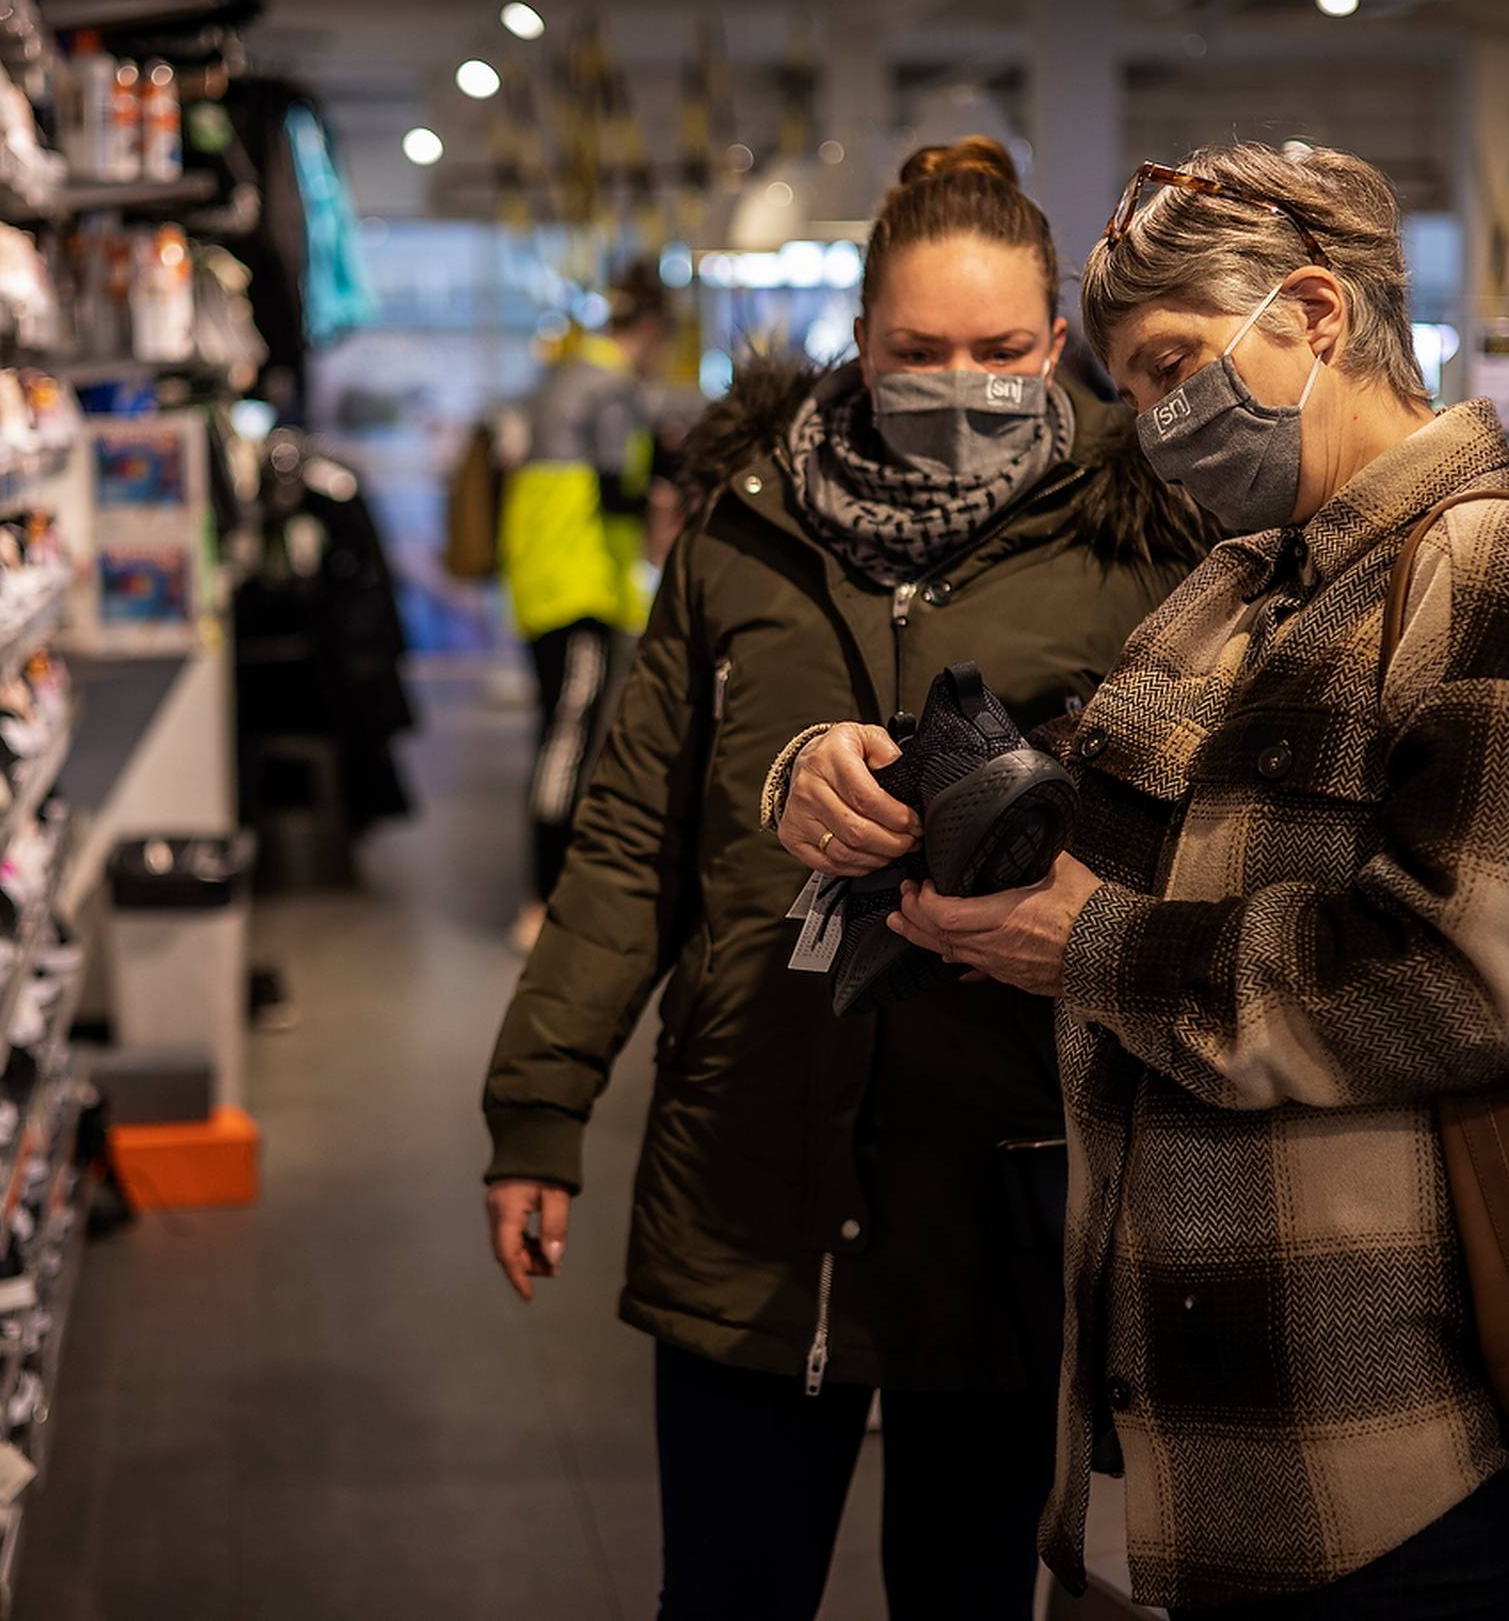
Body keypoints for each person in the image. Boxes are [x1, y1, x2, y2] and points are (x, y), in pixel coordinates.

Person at [794, 141, 1509, 1619]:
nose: (1157, 422)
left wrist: (1092, 946)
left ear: (1313, 312)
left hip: (1370, 1434)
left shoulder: (1492, 571)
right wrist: (889, 799)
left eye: (1174, 365)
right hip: (1184, 1422)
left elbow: (1480, 975)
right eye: (1134, 384)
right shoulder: (1246, 581)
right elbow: (1123, 843)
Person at [481, 136, 1205, 1621]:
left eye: (1001, 350)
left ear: (1058, 341)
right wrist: (538, 1108)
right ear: (857, 340)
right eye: (916, 350)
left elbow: (1196, 836)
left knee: (969, 1586)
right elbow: (630, 836)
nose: (960, 380)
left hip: (1002, 1158)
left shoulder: (1142, 541)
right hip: (757, 1145)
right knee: (731, 1588)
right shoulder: (744, 533)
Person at [497, 265, 674, 952]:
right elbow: (614, 491)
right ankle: (544, 898)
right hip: (580, 584)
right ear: (652, 330)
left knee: (560, 736)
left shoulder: (564, 375)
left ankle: (548, 894)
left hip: (546, 580)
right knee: (567, 742)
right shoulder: (611, 387)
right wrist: (665, 499)